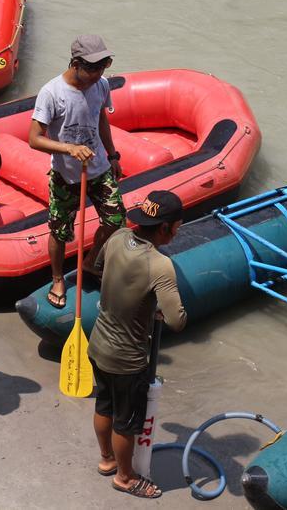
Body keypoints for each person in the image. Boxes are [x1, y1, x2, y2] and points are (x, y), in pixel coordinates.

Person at [88, 190, 188, 499]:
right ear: (164, 228)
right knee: (126, 422)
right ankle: (125, 476)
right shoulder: (160, 265)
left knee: (103, 404)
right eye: (177, 226)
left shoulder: (117, 237)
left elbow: (98, 267)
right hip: (126, 360)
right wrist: (158, 305)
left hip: (98, 343)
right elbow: (176, 321)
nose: (177, 231)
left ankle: (106, 459)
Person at [29, 34, 127, 309]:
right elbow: (34, 138)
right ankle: (58, 278)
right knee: (60, 232)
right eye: (93, 68)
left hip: (100, 169)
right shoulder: (52, 93)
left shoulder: (101, 85)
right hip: (66, 174)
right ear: (76, 64)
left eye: (103, 67)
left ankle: (92, 262)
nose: (99, 73)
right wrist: (68, 149)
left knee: (116, 220)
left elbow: (101, 118)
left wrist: (113, 154)